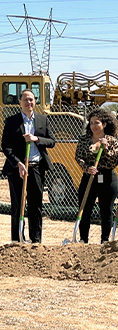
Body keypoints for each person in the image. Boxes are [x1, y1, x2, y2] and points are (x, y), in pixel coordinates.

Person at [1, 89, 55, 243]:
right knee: (18, 205)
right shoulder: (11, 122)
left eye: (31, 99)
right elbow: (6, 146)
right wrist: (17, 162)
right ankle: (17, 239)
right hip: (17, 168)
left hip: (36, 167)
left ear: (35, 101)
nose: (28, 102)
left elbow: (51, 141)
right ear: (20, 102)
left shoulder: (42, 120)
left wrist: (36, 139)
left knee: (36, 205)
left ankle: (36, 240)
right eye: (25, 99)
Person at [75, 108, 118, 243]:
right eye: (91, 123)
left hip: (106, 179)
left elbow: (115, 161)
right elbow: (78, 156)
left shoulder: (111, 140)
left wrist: (105, 148)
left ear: (104, 124)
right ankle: (83, 239)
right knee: (84, 209)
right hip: (89, 177)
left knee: (106, 211)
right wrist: (86, 168)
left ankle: (105, 241)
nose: (94, 126)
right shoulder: (84, 139)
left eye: (97, 123)